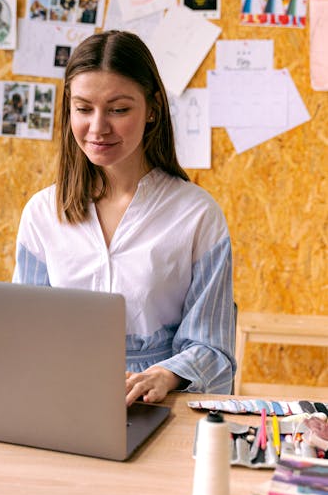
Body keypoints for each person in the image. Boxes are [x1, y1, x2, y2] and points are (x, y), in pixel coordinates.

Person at [13, 30, 235, 405]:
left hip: (161, 407)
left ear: (152, 109)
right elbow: (23, 332)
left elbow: (213, 350)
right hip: (61, 401)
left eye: (118, 109)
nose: (98, 127)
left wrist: (165, 375)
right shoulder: (41, 213)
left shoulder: (197, 216)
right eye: (83, 109)